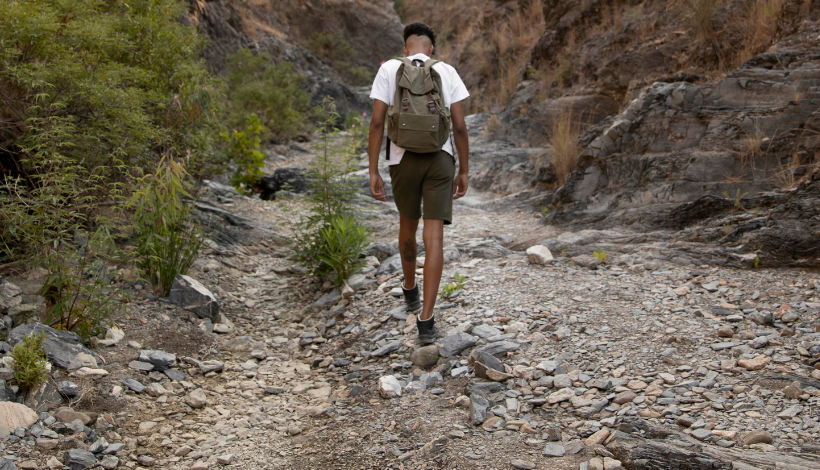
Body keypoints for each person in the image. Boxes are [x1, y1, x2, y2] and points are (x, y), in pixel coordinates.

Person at [367, 22, 470, 344]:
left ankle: (409, 290)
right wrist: (464, 169)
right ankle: (426, 321)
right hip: (439, 158)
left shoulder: (389, 69)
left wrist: (373, 171)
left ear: (405, 48)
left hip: (402, 159)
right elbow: (460, 127)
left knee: (407, 225)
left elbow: (376, 122)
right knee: (434, 236)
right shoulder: (447, 71)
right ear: (432, 49)